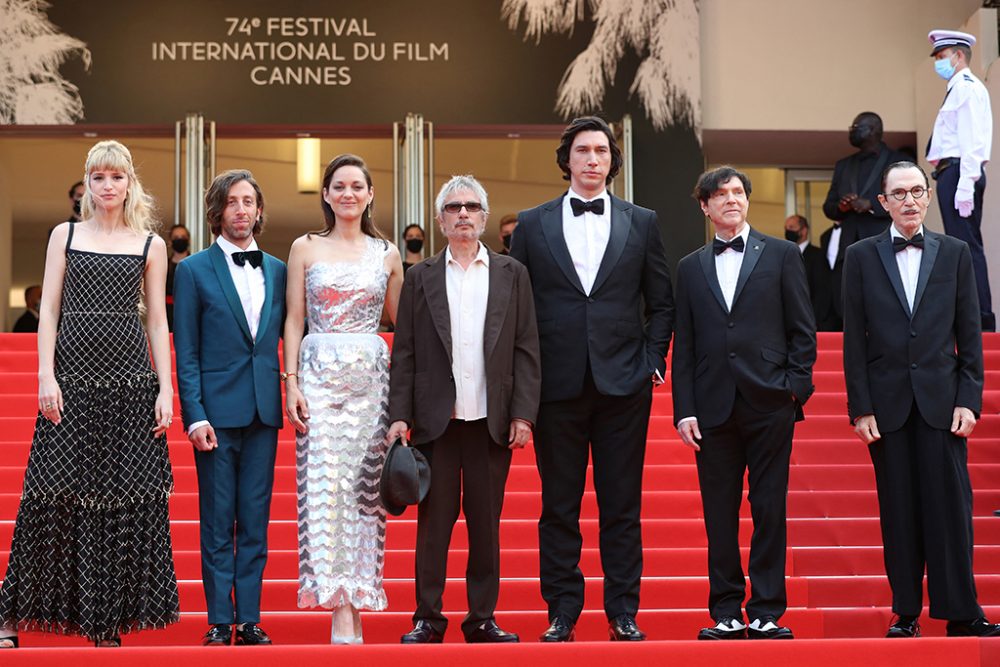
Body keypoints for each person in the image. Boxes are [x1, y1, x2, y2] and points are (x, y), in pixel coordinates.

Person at [0, 140, 179, 648]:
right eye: (98, 177)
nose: (107, 186)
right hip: (72, 379)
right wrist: (44, 375)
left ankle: (106, 624)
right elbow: (50, 309)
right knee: (48, 494)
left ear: (129, 183)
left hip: (129, 384)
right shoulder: (66, 235)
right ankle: (9, 618)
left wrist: (165, 389)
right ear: (87, 184)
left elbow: (158, 320)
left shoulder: (150, 245)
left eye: (116, 177)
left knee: (120, 498)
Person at [510, 115, 674, 642]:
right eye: (582, 150)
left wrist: (652, 357)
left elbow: (662, 302)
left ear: (611, 160)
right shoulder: (532, 224)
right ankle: (562, 610)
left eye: (601, 150)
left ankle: (623, 610)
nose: (592, 159)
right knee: (558, 504)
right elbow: (517, 307)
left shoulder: (642, 220)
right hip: (555, 387)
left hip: (623, 385)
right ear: (567, 160)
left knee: (621, 503)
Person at [842, 160, 1000, 639]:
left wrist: (969, 399)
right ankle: (905, 611)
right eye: (899, 194)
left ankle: (961, 611)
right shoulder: (861, 256)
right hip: (886, 406)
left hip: (942, 402)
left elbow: (969, 334)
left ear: (928, 197)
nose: (909, 200)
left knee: (951, 510)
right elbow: (854, 340)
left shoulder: (954, 253)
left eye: (917, 191)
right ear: (885, 202)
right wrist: (860, 406)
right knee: (898, 511)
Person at [387, 175, 541, 644]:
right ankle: (427, 618)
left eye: (471, 207)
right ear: (440, 219)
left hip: (491, 419)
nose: (462, 214)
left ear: (484, 217)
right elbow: (406, 351)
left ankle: (482, 618)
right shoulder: (420, 277)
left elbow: (526, 347)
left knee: (484, 523)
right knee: (433, 525)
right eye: (453, 207)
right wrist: (400, 414)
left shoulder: (512, 273)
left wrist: (523, 414)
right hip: (437, 420)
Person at [673, 166, 816, 641]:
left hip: (770, 400)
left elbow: (802, 329)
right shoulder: (690, 267)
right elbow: (686, 344)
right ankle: (726, 611)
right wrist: (684, 409)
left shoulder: (779, 254)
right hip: (712, 406)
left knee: (769, 506)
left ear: (746, 200)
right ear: (705, 206)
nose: (731, 199)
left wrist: (795, 387)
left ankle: (769, 609)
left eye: (738, 192)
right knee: (719, 512)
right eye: (720, 194)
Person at [282, 154, 404, 644]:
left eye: (357, 185)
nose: (349, 193)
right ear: (327, 195)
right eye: (339, 186)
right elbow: (293, 318)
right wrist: (289, 380)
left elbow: (405, 324)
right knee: (322, 492)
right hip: (317, 373)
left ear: (370, 194)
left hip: (370, 381)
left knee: (365, 495)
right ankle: (337, 606)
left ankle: (360, 597)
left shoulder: (387, 253)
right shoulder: (304, 248)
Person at [173, 169, 286, 647]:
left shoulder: (278, 269)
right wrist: (194, 414)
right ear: (217, 210)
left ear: (259, 210)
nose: (241, 209)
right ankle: (220, 618)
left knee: (255, 520)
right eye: (232, 202)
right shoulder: (193, 270)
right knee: (218, 520)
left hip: (264, 411)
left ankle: (251, 618)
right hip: (215, 417)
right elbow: (188, 352)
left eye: (249, 201)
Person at [926, 29, 995, 332]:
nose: (938, 63)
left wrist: (966, 182)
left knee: (965, 247)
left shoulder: (966, 87)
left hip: (959, 172)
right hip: (952, 172)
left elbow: (972, 140)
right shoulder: (958, 88)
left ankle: (979, 319)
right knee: (961, 246)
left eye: (942, 57)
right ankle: (972, 317)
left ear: (958, 55)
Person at [821, 112, 904, 330]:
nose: (851, 130)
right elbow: (828, 207)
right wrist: (842, 207)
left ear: (873, 130)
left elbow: (906, 200)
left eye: (856, 126)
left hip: (883, 242)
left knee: (885, 297)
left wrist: (872, 206)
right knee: (848, 300)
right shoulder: (843, 165)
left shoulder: (899, 162)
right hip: (848, 243)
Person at [785, 215, 836, 331]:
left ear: (804, 230)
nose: (788, 231)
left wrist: (813, 320)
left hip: (813, 320)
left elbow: (822, 291)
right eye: (786, 228)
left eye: (792, 227)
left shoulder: (817, 255)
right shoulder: (785, 256)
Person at [165, 224, 191, 330]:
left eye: (183, 237)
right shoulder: (163, 265)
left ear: (188, 240)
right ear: (170, 242)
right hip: (168, 314)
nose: (180, 240)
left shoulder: (196, 264)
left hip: (191, 311)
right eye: (176, 238)